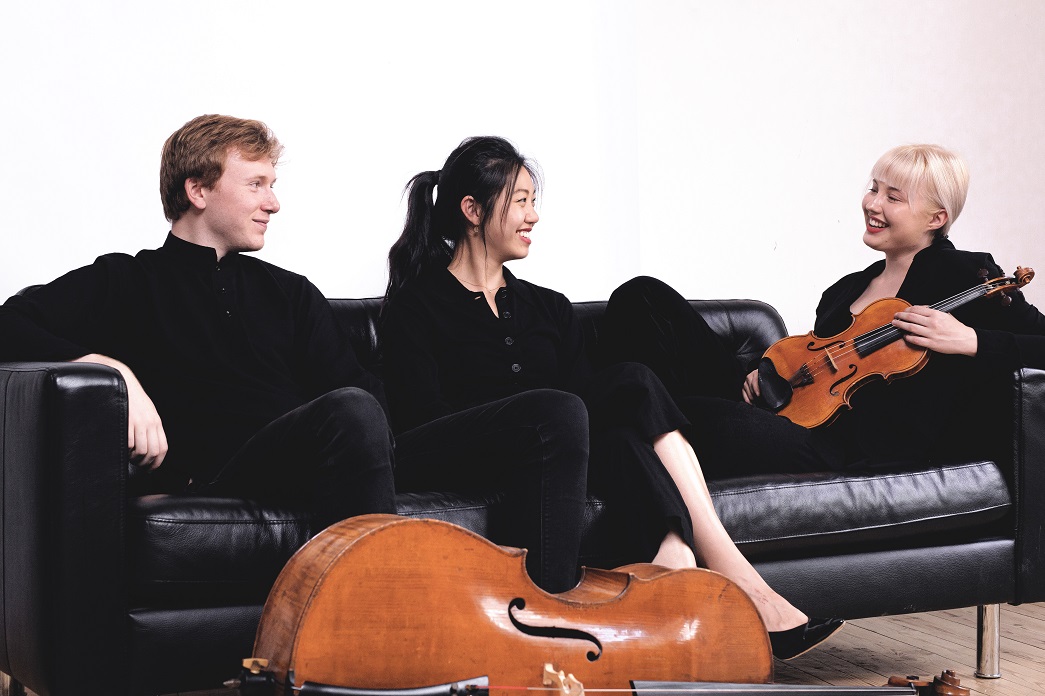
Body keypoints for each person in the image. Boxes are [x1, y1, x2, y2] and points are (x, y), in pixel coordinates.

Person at [379, 135, 841, 660]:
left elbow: (586, 411)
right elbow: (422, 420)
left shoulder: (548, 308)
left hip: (558, 455)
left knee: (622, 424)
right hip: (466, 455)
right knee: (622, 385)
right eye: (522, 201)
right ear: (472, 209)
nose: (534, 216)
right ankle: (735, 574)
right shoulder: (416, 305)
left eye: (534, 201)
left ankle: (676, 559)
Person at [0, 114, 396, 530]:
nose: (273, 203)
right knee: (351, 410)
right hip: (219, 476)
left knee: (383, 411)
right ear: (198, 190)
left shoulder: (289, 292)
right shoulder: (126, 282)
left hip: (312, 463)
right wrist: (109, 367)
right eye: (255, 184)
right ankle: (378, 591)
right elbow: (9, 323)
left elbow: (363, 396)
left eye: (272, 185)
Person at [604, 143, 1045, 483]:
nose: (873, 204)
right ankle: (655, 422)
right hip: (785, 417)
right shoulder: (845, 291)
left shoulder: (967, 276)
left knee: (682, 414)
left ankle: (648, 428)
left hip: (839, 449)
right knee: (642, 296)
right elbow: (816, 370)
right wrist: (767, 372)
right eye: (873, 188)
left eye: (894, 197)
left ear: (936, 218)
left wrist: (972, 341)